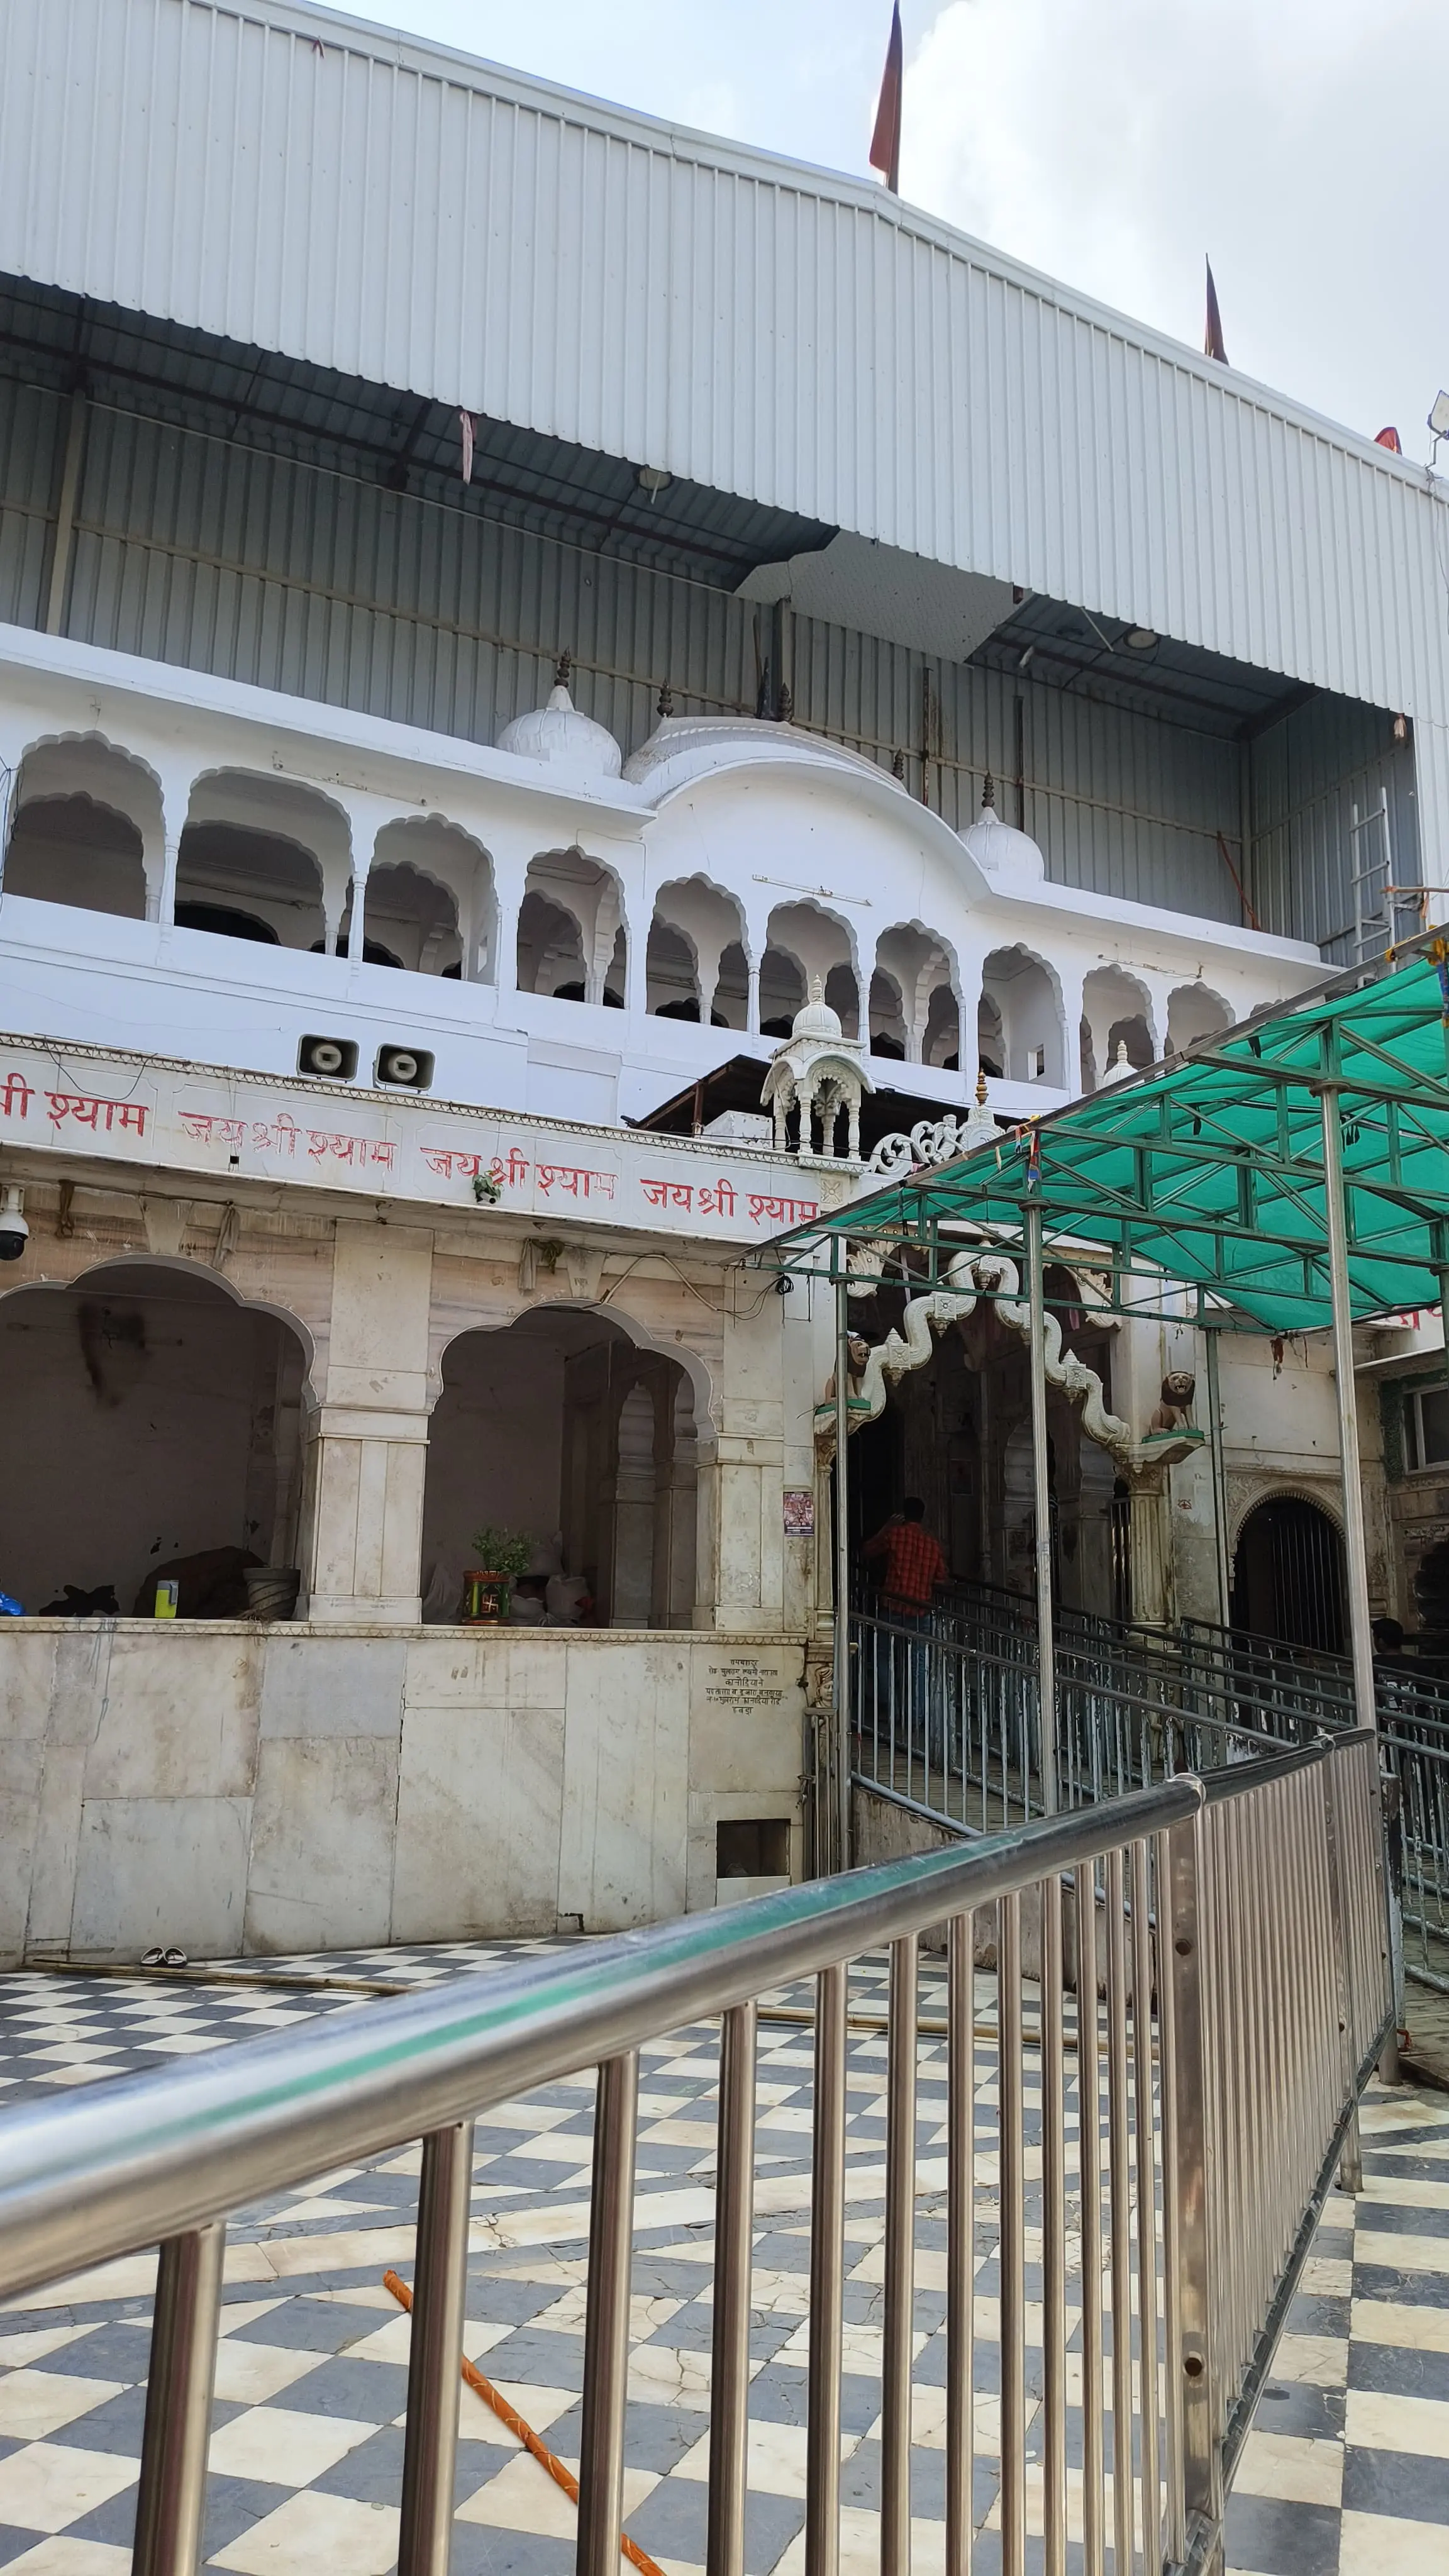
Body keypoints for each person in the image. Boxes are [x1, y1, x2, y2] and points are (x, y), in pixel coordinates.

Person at [862, 1500, 949, 1768]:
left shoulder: (895, 1535)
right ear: (922, 1517)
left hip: (893, 1606)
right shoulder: (932, 1544)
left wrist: (885, 1528)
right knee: (919, 1665)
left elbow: (867, 1552)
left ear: (903, 1514)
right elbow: (942, 1578)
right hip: (920, 1611)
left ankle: (889, 1708)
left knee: (885, 1658)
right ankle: (915, 1716)